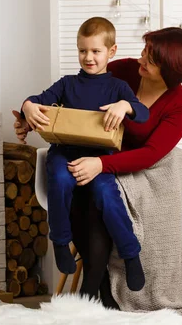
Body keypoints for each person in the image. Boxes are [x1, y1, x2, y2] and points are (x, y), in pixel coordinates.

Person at [14, 27, 182, 305]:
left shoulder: (181, 105)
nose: (140, 59)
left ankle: (93, 291)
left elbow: (149, 155)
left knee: (95, 194)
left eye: (150, 58)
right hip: (95, 154)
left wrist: (101, 163)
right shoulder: (124, 70)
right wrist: (30, 112)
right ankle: (98, 291)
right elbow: (78, 100)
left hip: (137, 169)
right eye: (144, 50)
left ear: (168, 70)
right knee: (80, 188)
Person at [19, 17, 149, 291]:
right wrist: (27, 106)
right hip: (64, 152)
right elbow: (38, 100)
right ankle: (60, 241)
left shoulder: (118, 88)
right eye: (82, 51)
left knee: (107, 195)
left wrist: (125, 105)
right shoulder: (67, 84)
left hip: (99, 159)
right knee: (58, 176)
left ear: (110, 52)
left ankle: (131, 253)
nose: (88, 57)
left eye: (96, 51)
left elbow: (143, 113)